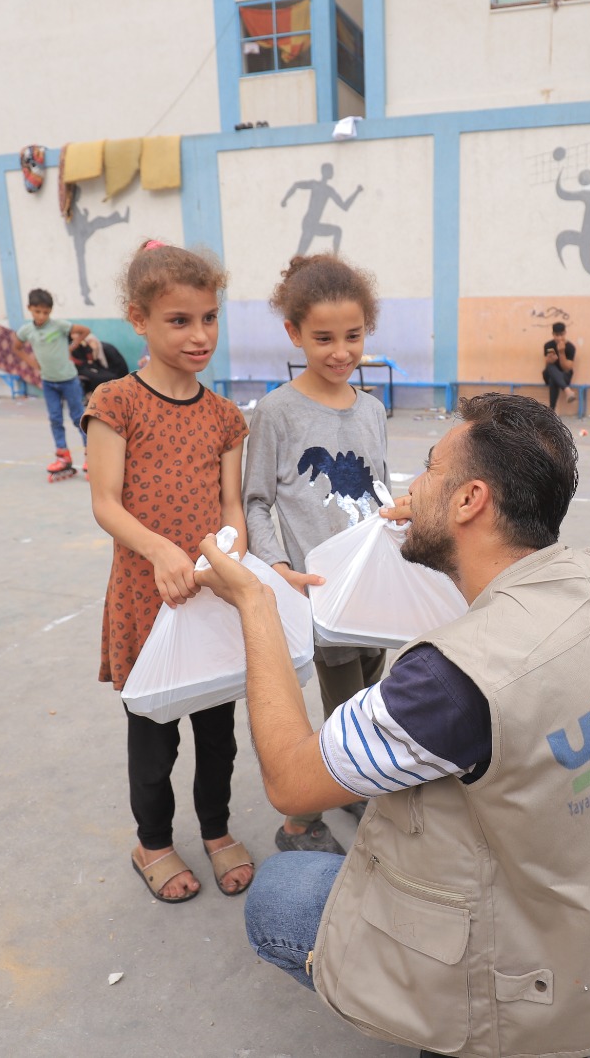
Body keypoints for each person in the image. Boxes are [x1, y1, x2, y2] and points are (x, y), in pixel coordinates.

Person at [207, 392, 590, 1058]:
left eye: (431, 471)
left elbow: (291, 780)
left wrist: (256, 604)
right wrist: (435, 539)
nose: (413, 487)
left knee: (283, 895)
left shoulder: (445, 685)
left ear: (471, 501)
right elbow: (502, 616)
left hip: (538, 1006)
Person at [82, 242, 255, 902]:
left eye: (209, 318)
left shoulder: (224, 416)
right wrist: (160, 550)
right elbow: (105, 502)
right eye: (180, 320)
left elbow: (233, 506)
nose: (200, 335)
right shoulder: (116, 402)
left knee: (218, 735)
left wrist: (227, 556)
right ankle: (152, 841)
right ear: (139, 319)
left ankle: (216, 830)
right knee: (154, 739)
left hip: (209, 598)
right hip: (145, 596)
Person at [243, 253, 389, 857]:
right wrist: (278, 569)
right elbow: (255, 501)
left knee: (374, 692)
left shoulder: (374, 408)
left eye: (352, 336)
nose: (340, 351)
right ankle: (302, 821)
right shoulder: (277, 411)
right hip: (322, 592)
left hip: (377, 592)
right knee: (346, 709)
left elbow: (380, 490)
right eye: (323, 338)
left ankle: (352, 786)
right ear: (293, 333)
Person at [16, 288, 92, 478]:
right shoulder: (27, 330)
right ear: (29, 309)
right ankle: (63, 456)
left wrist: (73, 345)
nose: (41, 316)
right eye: (37, 311)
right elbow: (16, 347)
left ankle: (91, 456)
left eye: (46, 312)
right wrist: (31, 362)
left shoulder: (59, 326)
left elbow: (85, 330)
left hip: (69, 380)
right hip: (49, 382)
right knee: (55, 419)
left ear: (50, 311)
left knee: (78, 417)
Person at [540, 320, 577, 410]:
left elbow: (567, 368)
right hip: (549, 374)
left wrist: (561, 353)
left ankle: (551, 410)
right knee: (550, 367)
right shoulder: (548, 345)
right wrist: (549, 360)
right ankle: (567, 391)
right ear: (553, 334)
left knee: (554, 379)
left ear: (565, 333)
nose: (559, 338)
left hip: (565, 376)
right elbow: (546, 366)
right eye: (557, 335)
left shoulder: (571, 347)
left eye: (561, 335)